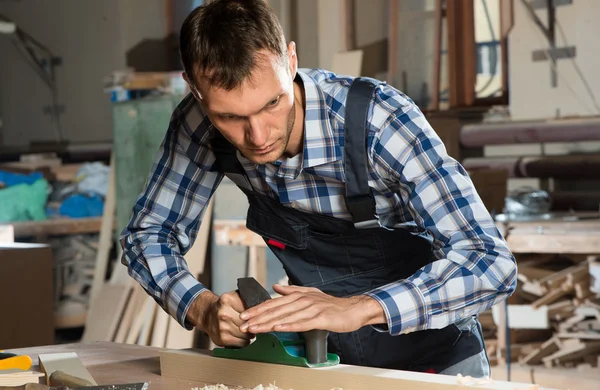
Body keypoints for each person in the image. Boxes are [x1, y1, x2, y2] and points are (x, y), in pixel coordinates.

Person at [119, 0, 517, 377]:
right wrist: (201, 307)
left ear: (291, 61)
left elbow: (490, 262)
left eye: (272, 103)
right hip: (323, 362)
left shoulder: (379, 122)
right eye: (230, 117)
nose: (257, 135)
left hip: (435, 358)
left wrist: (360, 308)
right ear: (194, 90)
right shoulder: (198, 124)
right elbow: (147, 235)